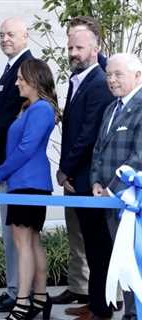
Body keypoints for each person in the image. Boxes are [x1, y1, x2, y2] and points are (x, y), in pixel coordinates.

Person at [53, 18, 114, 307]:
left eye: (79, 47)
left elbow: (88, 134)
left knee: (97, 244)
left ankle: (100, 305)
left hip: (89, 178)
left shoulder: (99, 82)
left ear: (95, 48)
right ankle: (89, 298)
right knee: (85, 241)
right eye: (70, 47)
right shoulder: (78, 79)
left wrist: (66, 168)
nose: (73, 52)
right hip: (76, 177)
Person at [0, 58, 59, 320]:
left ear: (34, 79)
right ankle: (40, 299)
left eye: (21, 77)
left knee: (23, 244)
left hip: (27, 183)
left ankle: (22, 303)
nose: (17, 81)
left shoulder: (41, 109)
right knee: (31, 242)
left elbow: (26, 148)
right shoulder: (32, 107)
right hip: (27, 182)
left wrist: (2, 171)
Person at [0, 16, 33, 312]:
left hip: (12, 168)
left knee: (17, 235)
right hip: (2, 164)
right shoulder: (11, 67)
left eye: (11, 34)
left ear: (26, 35)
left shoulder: (26, 69)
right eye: (1, 34)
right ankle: (15, 289)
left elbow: (13, 118)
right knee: (12, 233)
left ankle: (17, 292)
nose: (5, 39)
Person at [91, 53, 142, 320]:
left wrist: (112, 187)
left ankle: (135, 314)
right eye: (109, 74)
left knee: (135, 261)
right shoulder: (111, 108)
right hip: (110, 200)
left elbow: (139, 156)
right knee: (122, 263)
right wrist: (97, 182)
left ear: (138, 76)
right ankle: (131, 313)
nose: (111, 80)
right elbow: (98, 151)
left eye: (118, 74)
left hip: (132, 202)